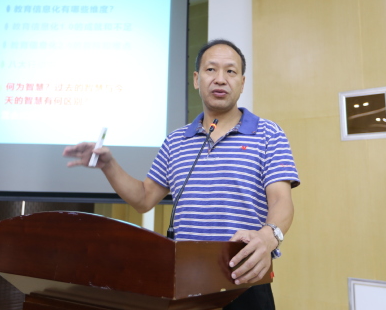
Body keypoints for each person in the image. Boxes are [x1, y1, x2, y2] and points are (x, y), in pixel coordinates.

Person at [63, 39, 300, 309]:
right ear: (197, 79)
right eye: (211, 69)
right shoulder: (176, 141)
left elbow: (281, 200)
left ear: (242, 82)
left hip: (245, 279)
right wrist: (109, 165)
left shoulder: (269, 134)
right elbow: (144, 198)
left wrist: (268, 238)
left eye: (230, 71)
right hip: (186, 280)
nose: (220, 79)